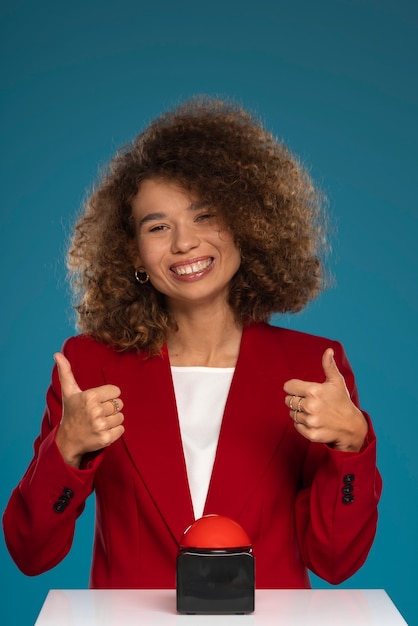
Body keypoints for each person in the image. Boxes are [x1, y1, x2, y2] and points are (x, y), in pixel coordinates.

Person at [3, 97, 382, 589]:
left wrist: (351, 446)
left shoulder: (313, 365)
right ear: (134, 253)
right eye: (158, 226)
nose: (184, 242)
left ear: (246, 227)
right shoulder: (89, 366)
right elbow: (31, 553)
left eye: (204, 217)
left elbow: (336, 563)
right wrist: (66, 449)